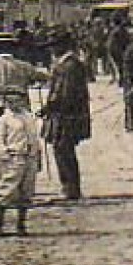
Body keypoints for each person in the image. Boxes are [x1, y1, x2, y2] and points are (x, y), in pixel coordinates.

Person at [41, 32, 91, 202]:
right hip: (64, 114)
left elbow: (66, 93)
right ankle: (69, 186)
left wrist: (49, 106)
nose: (52, 49)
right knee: (63, 149)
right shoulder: (67, 64)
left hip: (67, 115)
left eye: (54, 45)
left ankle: (70, 187)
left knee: (63, 150)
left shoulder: (69, 66)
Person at [0, 87, 41, 236]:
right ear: (5, 102)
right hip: (14, 157)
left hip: (29, 156)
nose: (15, 104)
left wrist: (36, 153)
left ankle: (21, 224)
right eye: (10, 101)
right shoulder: (4, 120)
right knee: (7, 188)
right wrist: (5, 154)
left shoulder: (28, 117)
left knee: (26, 190)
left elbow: (34, 136)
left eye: (18, 100)